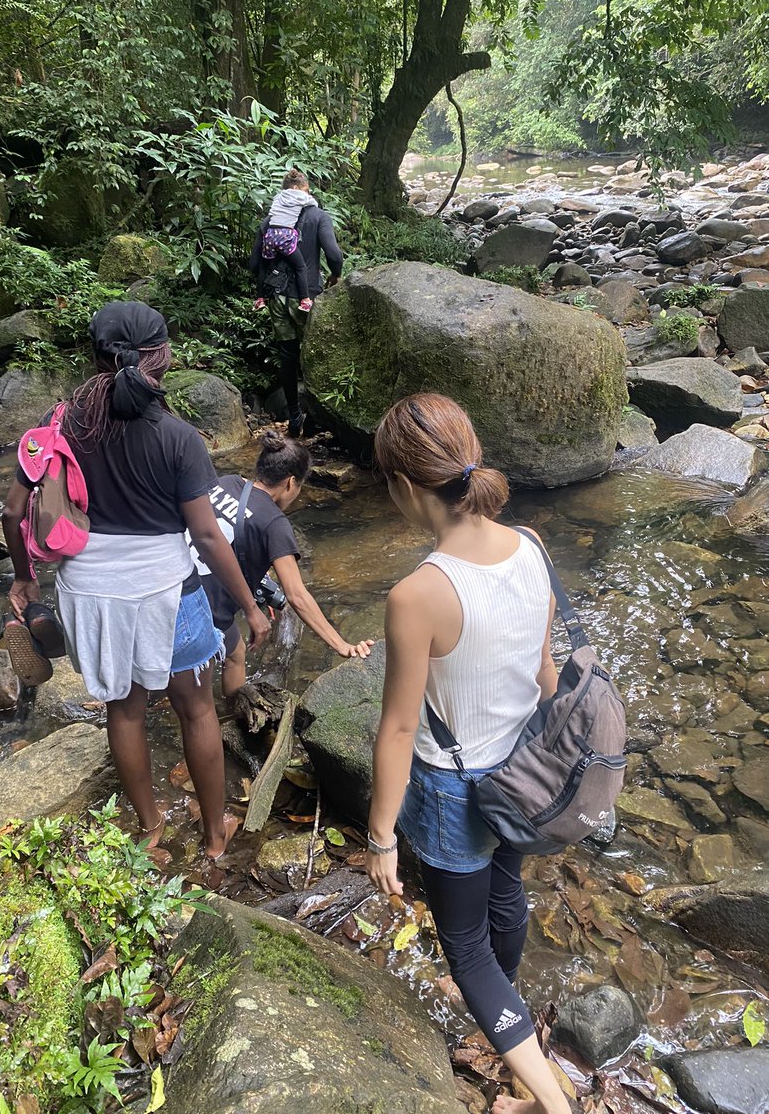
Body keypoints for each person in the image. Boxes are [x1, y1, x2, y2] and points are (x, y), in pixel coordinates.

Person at [1, 301, 270, 859]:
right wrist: (250, 604)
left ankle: (149, 830)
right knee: (195, 708)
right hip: (166, 592)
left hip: (89, 589)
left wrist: (25, 582)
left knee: (124, 708)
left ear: (94, 357)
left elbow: (11, 512)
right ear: (162, 358)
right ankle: (215, 836)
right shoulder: (177, 437)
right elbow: (208, 537)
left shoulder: (61, 426)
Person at [365, 393, 569, 1114]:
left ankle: (551, 1095)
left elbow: (395, 731)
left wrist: (381, 837)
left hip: (456, 789)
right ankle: (506, 1018)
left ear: (403, 486)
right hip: (523, 769)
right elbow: (545, 676)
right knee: (506, 892)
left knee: (466, 947)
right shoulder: (534, 547)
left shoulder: (418, 592)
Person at [189, 430, 373, 698]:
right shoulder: (275, 523)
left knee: (234, 649)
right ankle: (233, 720)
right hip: (206, 610)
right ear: (290, 483)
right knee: (233, 659)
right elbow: (297, 596)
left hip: (179, 587)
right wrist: (341, 645)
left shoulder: (225, 482)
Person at [249, 168, 343, 438]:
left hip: (277, 298)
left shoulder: (270, 220)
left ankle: (293, 418)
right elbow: (334, 254)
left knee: (288, 356)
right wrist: (335, 275)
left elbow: (255, 264)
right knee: (315, 354)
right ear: (306, 190)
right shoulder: (318, 216)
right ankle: (314, 419)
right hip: (305, 298)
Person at [253, 183, 318, 312]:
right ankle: (305, 300)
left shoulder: (278, 196)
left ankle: (260, 299)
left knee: (263, 267)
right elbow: (314, 204)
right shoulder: (302, 197)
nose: (307, 193)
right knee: (300, 267)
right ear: (295, 187)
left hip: (270, 235)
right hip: (285, 237)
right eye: (306, 190)